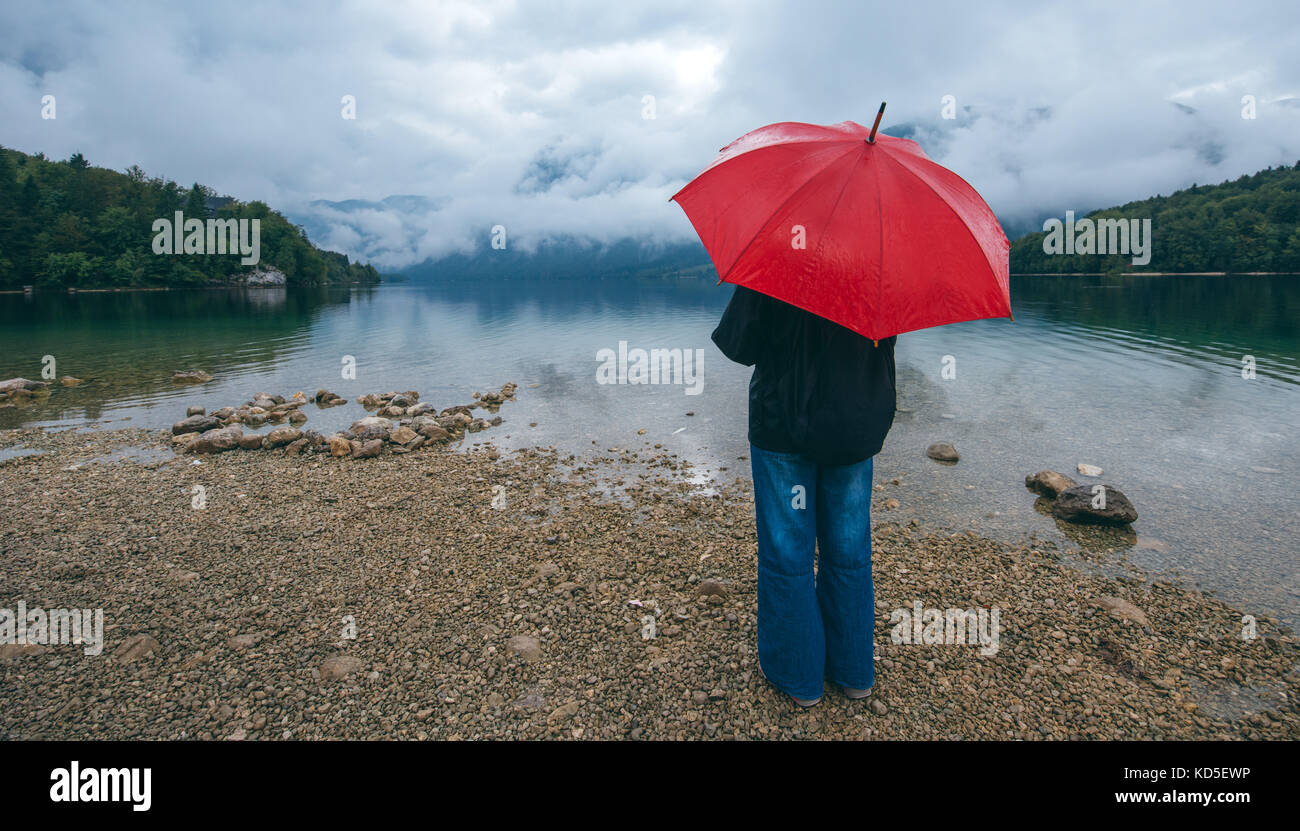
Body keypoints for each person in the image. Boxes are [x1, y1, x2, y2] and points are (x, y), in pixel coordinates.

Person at [712, 285, 897, 708]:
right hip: (852, 427)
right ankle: (853, 675)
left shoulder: (777, 259)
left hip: (781, 427)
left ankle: (800, 678)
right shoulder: (880, 268)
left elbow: (738, 343)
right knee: (849, 551)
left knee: (787, 554)